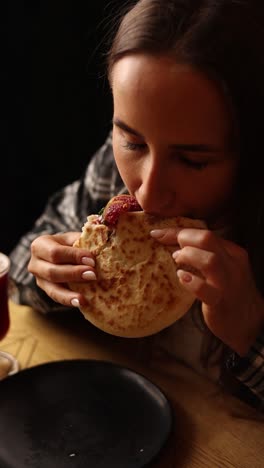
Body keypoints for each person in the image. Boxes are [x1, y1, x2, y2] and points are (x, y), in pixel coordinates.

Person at [9, 0, 264, 411]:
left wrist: (252, 332)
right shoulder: (112, 173)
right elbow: (21, 274)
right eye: (132, 142)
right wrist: (45, 274)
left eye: (192, 160)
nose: (146, 193)